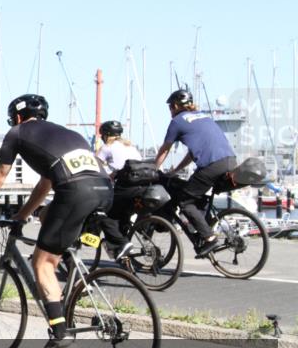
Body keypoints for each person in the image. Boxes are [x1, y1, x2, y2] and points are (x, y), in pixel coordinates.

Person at [0, 94, 113, 348]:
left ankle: (60, 336)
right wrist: (22, 215)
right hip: (105, 190)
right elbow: (45, 185)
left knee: (41, 262)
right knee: (45, 215)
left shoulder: (17, 133)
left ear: (18, 117)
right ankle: (67, 268)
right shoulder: (66, 134)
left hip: (75, 192)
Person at [154, 89, 236, 257]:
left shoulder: (177, 122)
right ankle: (204, 225)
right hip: (230, 161)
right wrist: (176, 170)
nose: (170, 111)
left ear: (176, 106)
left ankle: (209, 237)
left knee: (184, 201)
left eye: (170, 107)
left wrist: (153, 169)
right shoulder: (204, 117)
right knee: (195, 194)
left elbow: (164, 150)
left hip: (212, 165)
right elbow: (193, 153)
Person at [95, 120, 142, 261]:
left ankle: (122, 243)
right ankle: (121, 250)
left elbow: (94, 167)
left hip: (125, 188)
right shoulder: (131, 147)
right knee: (121, 216)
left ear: (106, 135)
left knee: (104, 216)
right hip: (141, 188)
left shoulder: (107, 148)